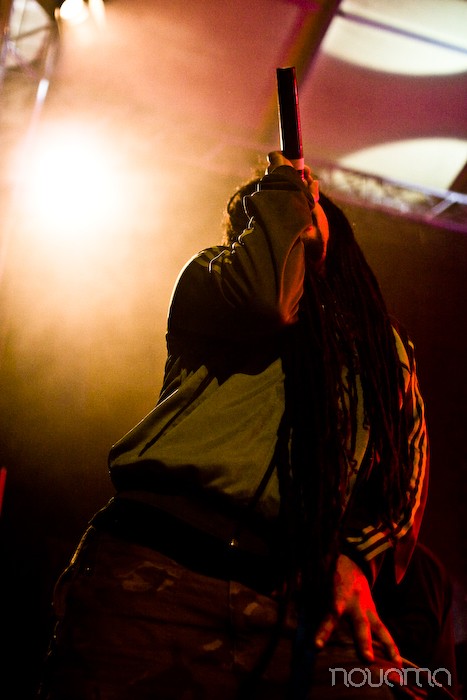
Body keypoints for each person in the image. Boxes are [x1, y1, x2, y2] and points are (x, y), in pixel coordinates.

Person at [39, 152, 430, 700]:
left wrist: (356, 557)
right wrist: (281, 188)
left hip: (291, 595)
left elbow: (405, 470)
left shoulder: (384, 346)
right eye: (263, 213)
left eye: (306, 201)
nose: (295, 206)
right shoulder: (211, 280)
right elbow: (268, 300)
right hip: (156, 567)